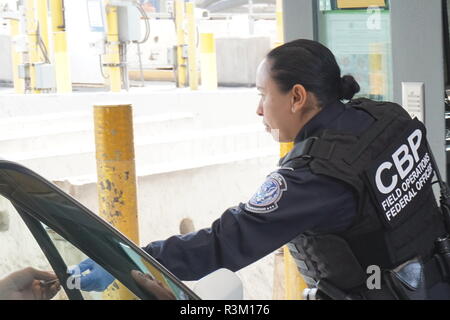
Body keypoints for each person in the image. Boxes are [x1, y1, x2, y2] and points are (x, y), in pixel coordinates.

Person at [75, 39, 450, 300]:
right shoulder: (385, 117)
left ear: (298, 97)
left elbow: (226, 241)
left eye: (262, 94)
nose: (258, 109)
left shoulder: (315, 175)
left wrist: (126, 258)